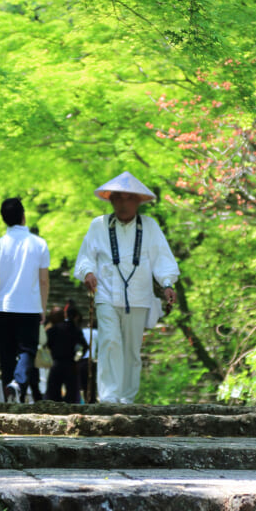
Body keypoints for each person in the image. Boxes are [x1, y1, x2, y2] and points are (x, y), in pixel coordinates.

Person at [74, 171, 180, 404]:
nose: (123, 203)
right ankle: (109, 398)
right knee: (109, 342)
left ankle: (127, 398)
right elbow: (85, 257)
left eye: (128, 198)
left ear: (138, 202)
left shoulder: (150, 226)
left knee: (131, 350)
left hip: (138, 296)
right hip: (105, 294)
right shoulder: (98, 225)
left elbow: (163, 258)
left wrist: (167, 283)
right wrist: (88, 273)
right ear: (111, 200)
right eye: (118, 198)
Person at [0, 197, 50, 403]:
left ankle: (10, 394)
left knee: (6, 354)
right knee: (27, 350)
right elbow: (44, 281)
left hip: (4, 307)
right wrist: (42, 308)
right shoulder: (39, 244)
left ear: (4, 219)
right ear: (23, 216)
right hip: (30, 308)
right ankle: (17, 385)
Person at [45, 300, 89, 403]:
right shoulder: (74, 328)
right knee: (72, 395)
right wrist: (79, 358)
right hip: (71, 363)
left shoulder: (52, 331)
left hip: (56, 363)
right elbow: (85, 346)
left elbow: (47, 345)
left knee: (53, 394)